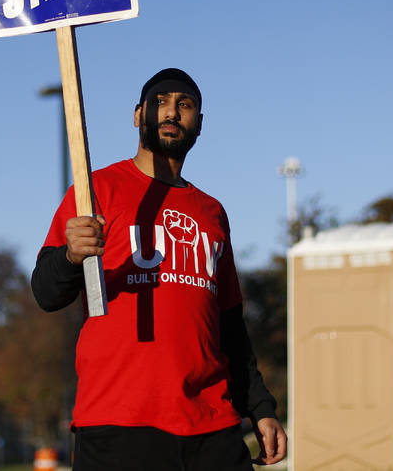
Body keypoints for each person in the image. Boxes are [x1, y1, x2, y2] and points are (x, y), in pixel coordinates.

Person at [31, 68, 287, 470]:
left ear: (198, 124)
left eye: (184, 106)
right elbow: (46, 293)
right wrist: (70, 257)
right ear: (137, 115)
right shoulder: (95, 190)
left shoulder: (212, 212)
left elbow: (231, 326)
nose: (171, 113)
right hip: (119, 422)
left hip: (211, 423)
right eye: (160, 103)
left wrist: (261, 407)